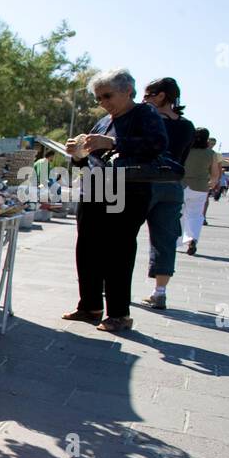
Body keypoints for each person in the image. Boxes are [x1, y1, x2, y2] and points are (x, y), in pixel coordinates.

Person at [62, 68, 168, 333]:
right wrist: (77, 153)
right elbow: (86, 159)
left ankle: (119, 313)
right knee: (86, 248)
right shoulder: (102, 121)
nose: (103, 103)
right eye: (98, 98)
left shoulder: (145, 114)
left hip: (128, 189)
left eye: (107, 96)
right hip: (95, 188)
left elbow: (157, 145)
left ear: (127, 91)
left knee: (117, 251)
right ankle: (90, 306)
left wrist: (110, 142)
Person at [140, 78, 194, 310]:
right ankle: (159, 292)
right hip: (173, 185)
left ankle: (108, 285)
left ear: (160, 96)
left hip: (144, 181)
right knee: (166, 239)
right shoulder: (187, 126)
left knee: (122, 234)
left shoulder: (148, 119)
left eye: (148, 95)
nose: (144, 100)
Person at [180, 128, 221, 255]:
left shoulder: (185, 150)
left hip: (181, 185)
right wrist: (211, 184)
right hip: (200, 187)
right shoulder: (211, 154)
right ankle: (192, 239)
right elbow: (215, 174)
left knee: (179, 213)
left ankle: (177, 240)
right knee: (196, 215)